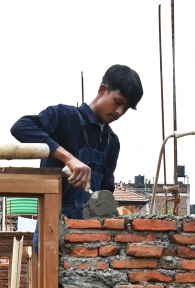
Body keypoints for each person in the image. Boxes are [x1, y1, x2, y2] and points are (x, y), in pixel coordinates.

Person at [11, 64, 144, 222]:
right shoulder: (65, 117)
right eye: (117, 102)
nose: (119, 112)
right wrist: (69, 159)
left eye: (126, 108)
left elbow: (105, 191)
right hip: (54, 227)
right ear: (102, 90)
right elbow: (21, 127)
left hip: (91, 233)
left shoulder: (111, 141)